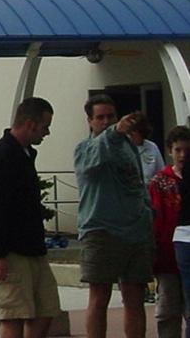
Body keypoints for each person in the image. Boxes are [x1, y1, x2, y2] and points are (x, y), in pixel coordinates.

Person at [0, 97, 58, 338]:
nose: (47, 133)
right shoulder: (0, 157)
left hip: (32, 248)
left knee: (46, 309)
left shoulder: (24, 155)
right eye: (45, 126)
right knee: (13, 315)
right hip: (10, 252)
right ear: (31, 124)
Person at [74, 94, 153, 338]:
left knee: (135, 297)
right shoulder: (84, 149)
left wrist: (147, 214)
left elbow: (138, 183)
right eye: (100, 117)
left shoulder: (129, 146)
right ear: (89, 121)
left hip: (136, 232)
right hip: (101, 231)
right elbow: (90, 164)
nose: (106, 121)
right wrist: (114, 132)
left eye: (111, 116)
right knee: (100, 297)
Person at [150, 125, 190, 338]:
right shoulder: (160, 182)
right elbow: (155, 219)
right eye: (178, 150)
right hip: (167, 258)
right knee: (167, 310)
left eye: (187, 150)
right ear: (169, 151)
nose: (183, 155)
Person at [129, 117, 164, 183]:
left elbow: (161, 172)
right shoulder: (123, 148)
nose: (131, 134)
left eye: (134, 130)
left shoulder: (152, 147)